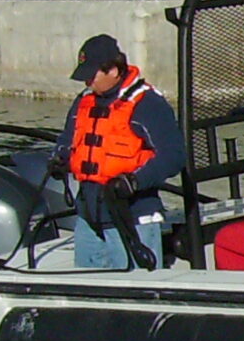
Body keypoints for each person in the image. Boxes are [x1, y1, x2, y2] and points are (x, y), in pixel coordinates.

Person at [47, 33, 183, 269]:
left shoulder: (148, 105)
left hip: (132, 217)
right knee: (87, 290)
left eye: (92, 75)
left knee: (139, 291)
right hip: (90, 217)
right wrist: (60, 158)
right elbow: (69, 138)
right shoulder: (84, 101)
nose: (87, 82)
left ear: (113, 70)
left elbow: (174, 156)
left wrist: (135, 181)